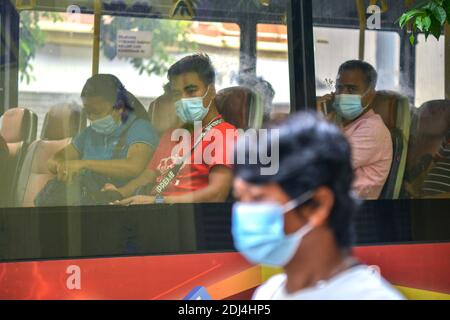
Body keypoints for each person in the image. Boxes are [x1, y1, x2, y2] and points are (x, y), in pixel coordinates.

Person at [232, 112, 404, 300]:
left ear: (317, 206)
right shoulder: (269, 293)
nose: (244, 212)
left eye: (257, 199)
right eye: (240, 198)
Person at [107, 53, 237, 205]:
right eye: (177, 94)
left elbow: (217, 194)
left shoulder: (225, 135)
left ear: (212, 90)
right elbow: (147, 177)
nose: (183, 99)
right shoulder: (172, 135)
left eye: (191, 90)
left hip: (187, 218)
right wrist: (118, 192)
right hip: (155, 211)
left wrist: (157, 201)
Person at [38, 74, 159, 206]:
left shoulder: (140, 128)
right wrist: (63, 166)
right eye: (87, 112)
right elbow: (53, 161)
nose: (91, 117)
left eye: (96, 112)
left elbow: (134, 166)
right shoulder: (89, 133)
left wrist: (84, 164)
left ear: (119, 107)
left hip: (117, 202)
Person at [317, 60, 392, 200]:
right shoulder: (342, 123)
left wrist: (314, 123)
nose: (343, 95)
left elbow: (326, 165)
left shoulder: (372, 129)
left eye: (351, 89)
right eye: (339, 88)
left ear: (370, 95)